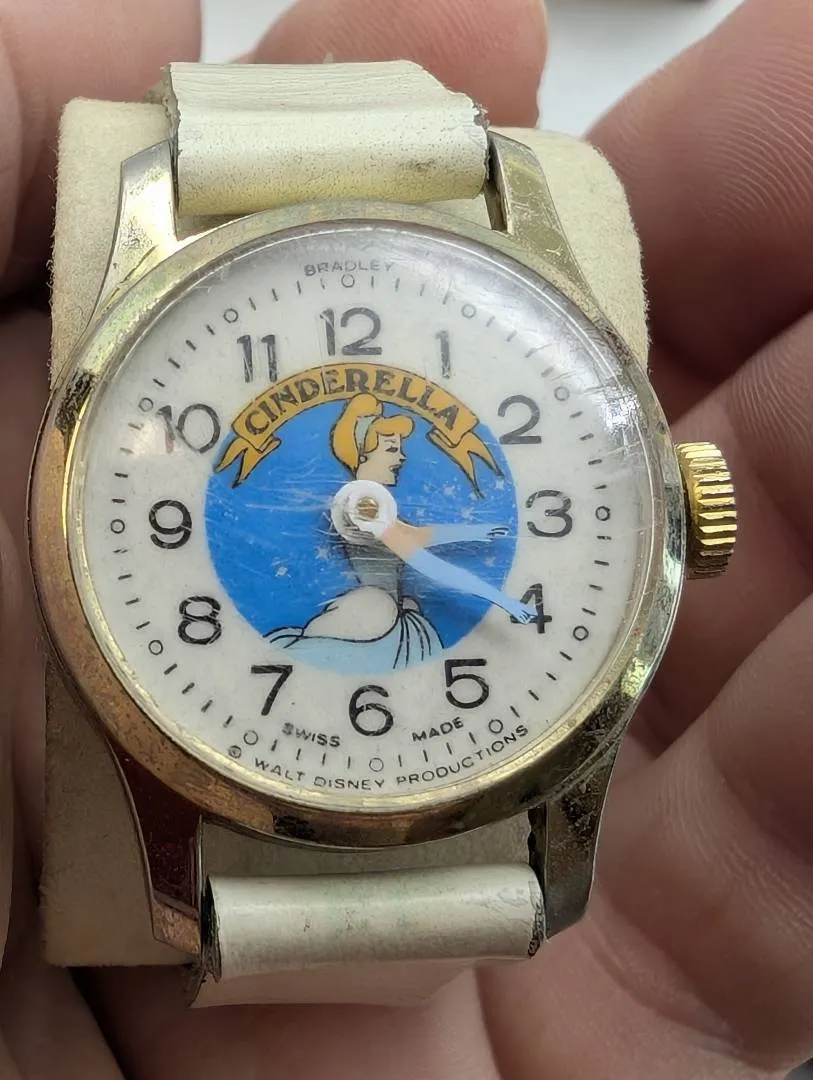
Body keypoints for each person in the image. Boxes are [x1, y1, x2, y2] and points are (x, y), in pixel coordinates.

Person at [0, 0, 811, 1076]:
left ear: (680, 507)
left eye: (390, 450)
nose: (386, 464)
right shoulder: (370, 500)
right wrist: (467, 542)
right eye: (382, 450)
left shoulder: (395, 488)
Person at [266, 392, 532, 671]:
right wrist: (501, 599)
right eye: (392, 448)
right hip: (376, 609)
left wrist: (474, 532)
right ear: (364, 454)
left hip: (390, 610)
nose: (402, 457)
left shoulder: (378, 512)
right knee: (383, 610)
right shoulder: (368, 516)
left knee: (404, 609)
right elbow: (434, 567)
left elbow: (418, 536)